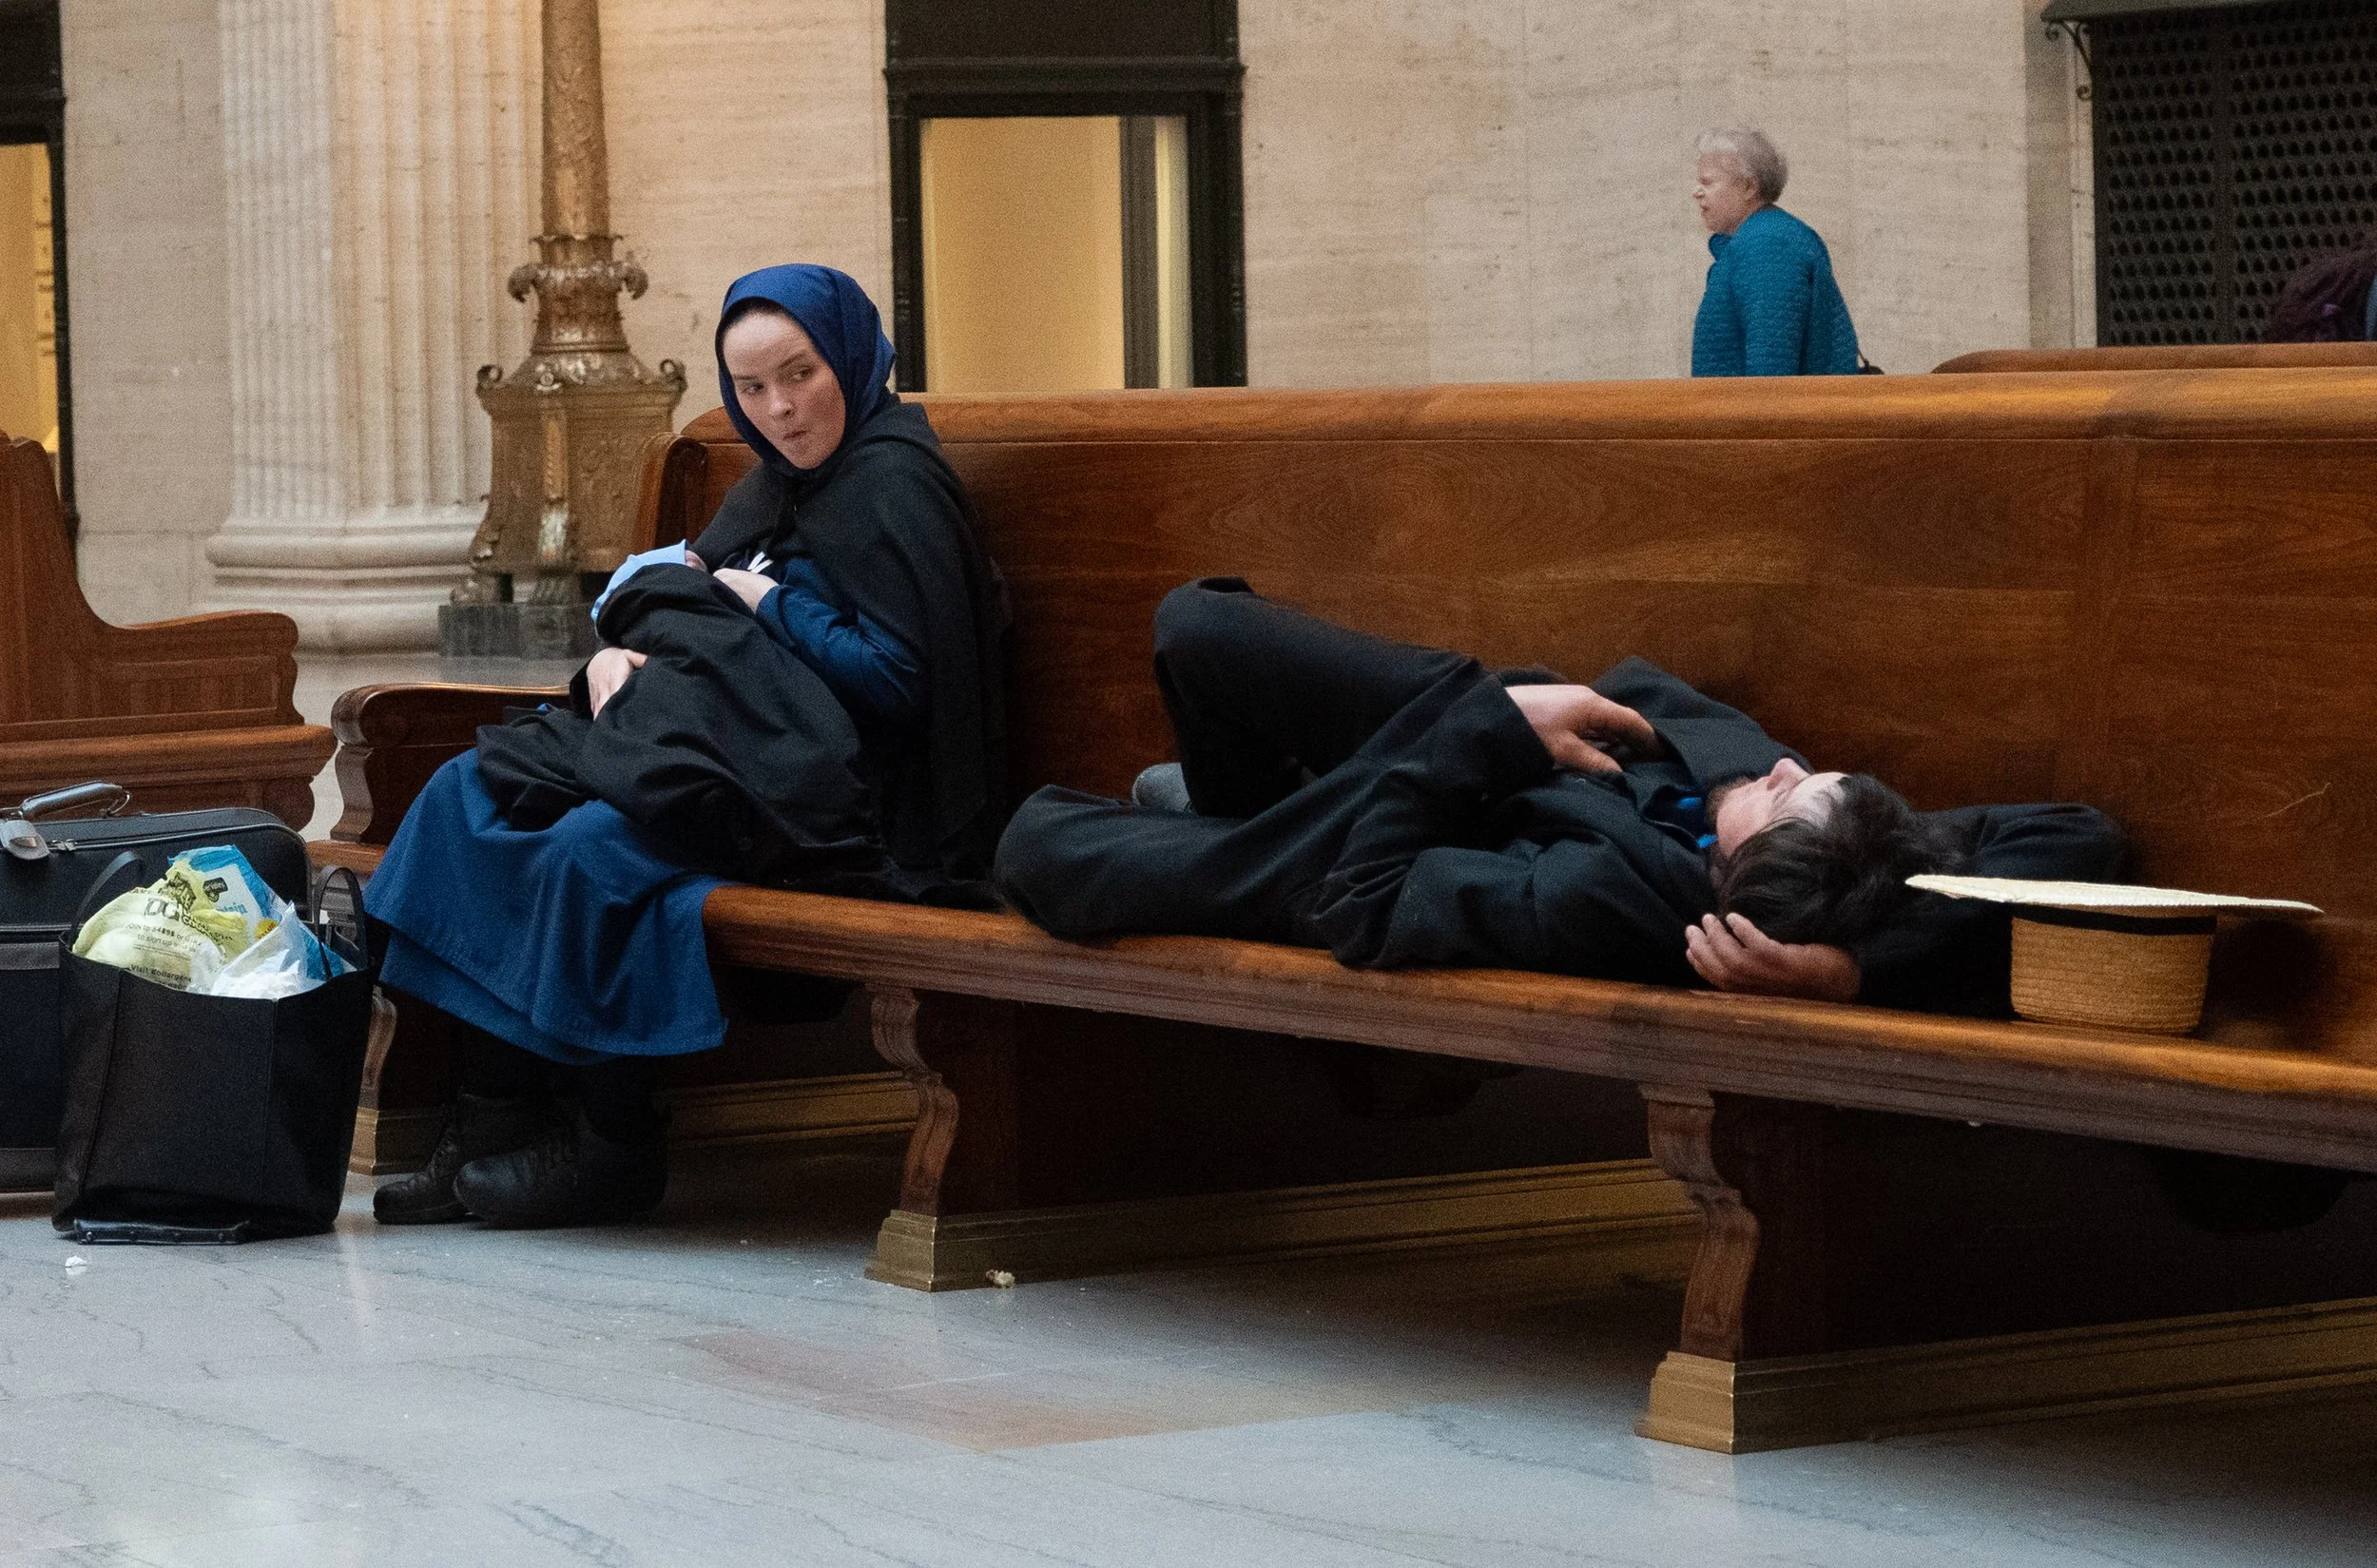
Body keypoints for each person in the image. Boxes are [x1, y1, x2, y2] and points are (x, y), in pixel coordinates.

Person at [365, 264, 1005, 1229]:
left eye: (800, 374)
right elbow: (686, 606)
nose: (781, 410)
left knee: (590, 850)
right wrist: (619, 655)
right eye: (751, 389)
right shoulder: (774, 485)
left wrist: (769, 604)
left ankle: (610, 1141)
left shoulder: (894, 487)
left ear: (852, 357)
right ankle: (490, 1122)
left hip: (837, 798)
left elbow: (906, 688)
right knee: (470, 794)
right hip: (717, 747)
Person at [995, 580, 2120, 1013]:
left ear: (1735, 895)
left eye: (1781, 795)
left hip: (1398, 810)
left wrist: (1486, 738)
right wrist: (1859, 962)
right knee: (1200, 625)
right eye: (1800, 768)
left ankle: (1220, 821)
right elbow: (2085, 840)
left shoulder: (1604, 898)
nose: (1780, 763)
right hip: (1483, 723)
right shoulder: (1851, 848)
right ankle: (1216, 802)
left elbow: (1365, 896)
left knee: (1041, 845)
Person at [1689, 127, 1861, 377]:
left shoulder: (1768, 246)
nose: (1697, 192)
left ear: (1748, 187)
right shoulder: (1764, 238)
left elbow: (1770, 371)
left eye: (1707, 182)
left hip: (1763, 414)